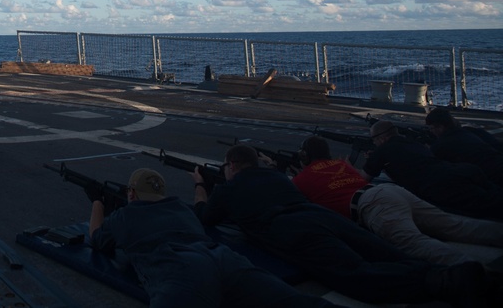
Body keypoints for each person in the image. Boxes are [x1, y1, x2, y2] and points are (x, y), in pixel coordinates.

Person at [193, 144, 489, 307]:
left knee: (354, 273)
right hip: (321, 215)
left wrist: (201, 188)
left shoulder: (228, 190)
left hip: (291, 229)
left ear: (231, 165)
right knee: (385, 252)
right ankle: (453, 273)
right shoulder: (275, 177)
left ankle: (444, 282)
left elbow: (206, 219)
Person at [88, 167, 334, 308]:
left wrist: (97, 202)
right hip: (222, 257)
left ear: (131, 194)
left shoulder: (126, 215)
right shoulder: (182, 208)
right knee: (296, 303)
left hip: (178, 267)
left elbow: (98, 240)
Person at [292, 135, 503, 266]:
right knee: (453, 224)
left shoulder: (302, 179)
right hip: (389, 192)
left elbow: (296, 200)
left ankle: (474, 269)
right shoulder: (342, 165)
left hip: (372, 205)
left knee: (415, 244)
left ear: (304, 156)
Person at [363, 120, 503, 220]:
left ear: (381, 139)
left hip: (442, 185)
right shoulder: (414, 144)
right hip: (463, 171)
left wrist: (349, 165)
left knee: (491, 208)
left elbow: (364, 179)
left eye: (374, 140)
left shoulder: (381, 151)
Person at [426, 107, 503, 187]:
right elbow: (496, 145)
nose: (431, 131)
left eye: (432, 128)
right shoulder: (472, 131)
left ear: (439, 127)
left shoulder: (440, 146)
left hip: (491, 177)